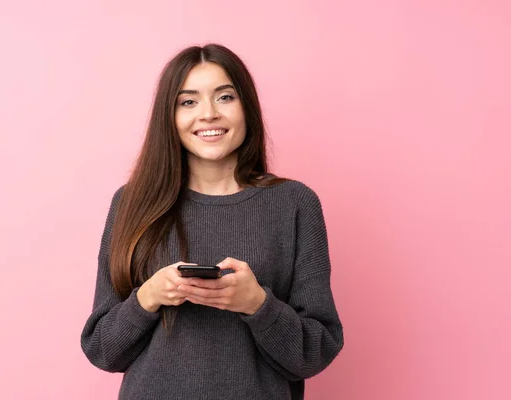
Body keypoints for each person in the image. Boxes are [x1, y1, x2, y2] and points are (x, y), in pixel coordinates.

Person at [80, 43, 344, 400]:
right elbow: (102, 349)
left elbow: (316, 351)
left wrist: (256, 304)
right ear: (169, 116)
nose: (208, 114)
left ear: (246, 106)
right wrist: (149, 296)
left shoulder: (294, 204)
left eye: (224, 97)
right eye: (188, 102)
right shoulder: (131, 203)